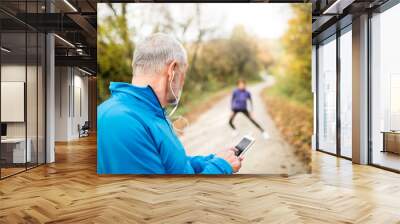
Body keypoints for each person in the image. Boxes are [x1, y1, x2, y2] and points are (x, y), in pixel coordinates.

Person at [97, 33, 242, 174]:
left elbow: (175, 166)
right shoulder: (124, 121)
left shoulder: (147, 112)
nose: (182, 83)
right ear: (172, 70)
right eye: (183, 75)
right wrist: (221, 167)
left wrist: (213, 160)